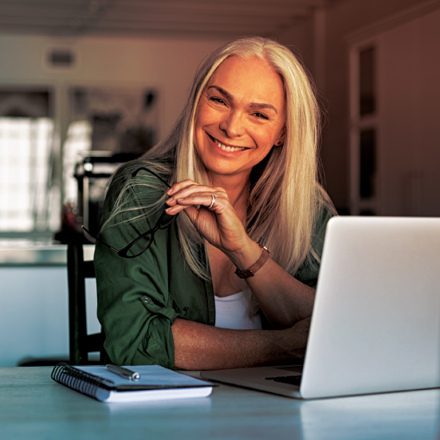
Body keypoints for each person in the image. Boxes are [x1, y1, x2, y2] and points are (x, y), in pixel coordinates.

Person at [94, 36, 336, 370]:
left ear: (282, 132)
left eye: (259, 115)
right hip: (159, 415)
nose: (232, 126)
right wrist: (282, 346)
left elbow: (336, 329)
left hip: (276, 415)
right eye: (220, 100)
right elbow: (134, 343)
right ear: (197, 101)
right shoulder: (141, 191)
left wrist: (243, 250)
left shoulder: (307, 208)